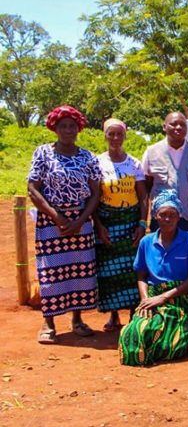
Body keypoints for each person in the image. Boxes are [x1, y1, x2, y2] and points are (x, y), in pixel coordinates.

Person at [27, 106, 102, 344]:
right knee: (51, 272)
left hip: (81, 221)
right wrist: (57, 217)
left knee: (79, 270)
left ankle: (77, 320)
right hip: (51, 222)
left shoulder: (87, 157)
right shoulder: (43, 154)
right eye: (63, 126)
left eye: (72, 126)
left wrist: (80, 221)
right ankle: (48, 324)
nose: (68, 130)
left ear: (78, 128)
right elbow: (33, 189)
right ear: (55, 128)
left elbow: (95, 192)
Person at [119, 190, 188, 366]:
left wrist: (165, 296)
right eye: (163, 215)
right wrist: (146, 299)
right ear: (155, 216)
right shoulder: (146, 242)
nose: (167, 219)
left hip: (180, 297)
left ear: (179, 217)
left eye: (172, 215)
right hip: (152, 296)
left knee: (172, 345)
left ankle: (185, 337)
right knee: (134, 334)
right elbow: (141, 274)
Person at [93, 118, 148, 332]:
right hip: (107, 222)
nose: (115, 138)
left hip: (130, 222)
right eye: (111, 134)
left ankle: (134, 312)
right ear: (105, 136)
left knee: (131, 268)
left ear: (125, 136)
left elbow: (143, 196)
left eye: (119, 134)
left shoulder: (134, 164)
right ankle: (113, 315)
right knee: (108, 271)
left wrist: (142, 223)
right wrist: (99, 225)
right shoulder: (97, 163)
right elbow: (94, 198)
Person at [141, 112, 188, 240]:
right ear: (164, 126)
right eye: (173, 124)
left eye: (182, 125)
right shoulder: (151, 152)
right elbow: (146, 188)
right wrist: (145, 221)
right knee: (164, 256)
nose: (178, 127)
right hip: (162, 218)